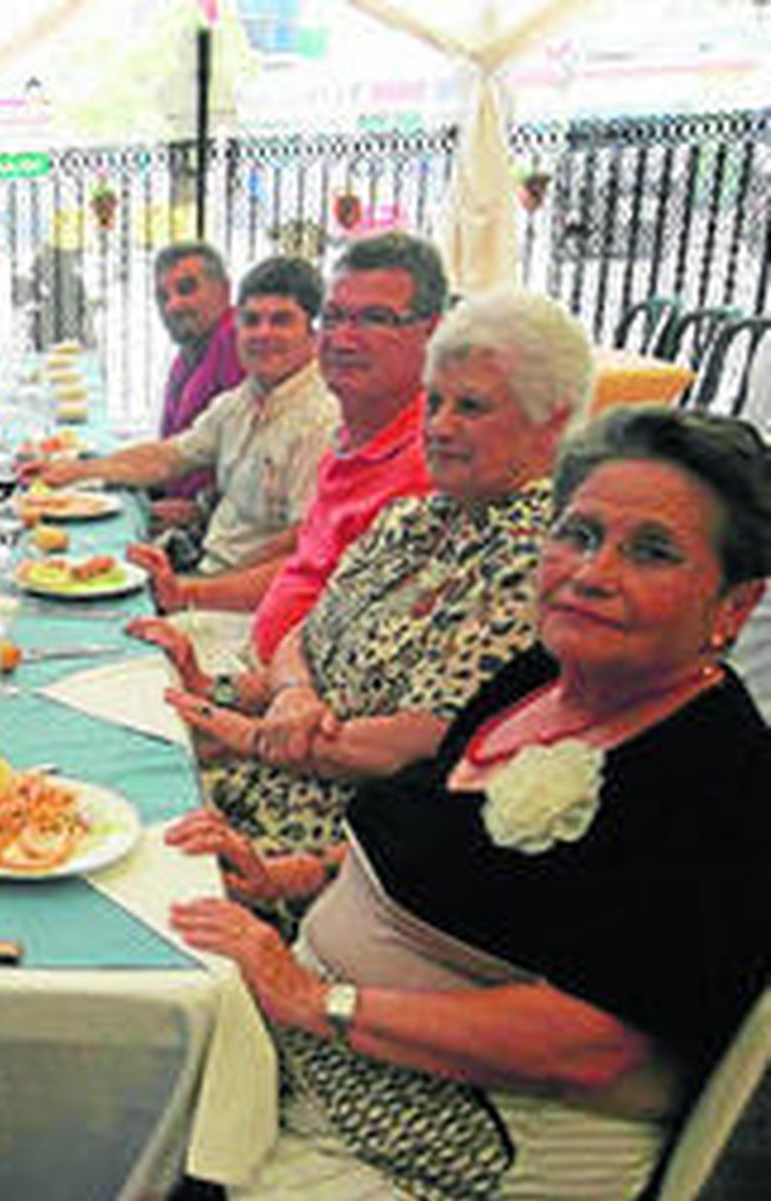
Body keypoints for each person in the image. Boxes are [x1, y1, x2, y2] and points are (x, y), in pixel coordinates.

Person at [168, 406, 771, 1200]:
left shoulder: (717, 776)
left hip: (448, 1151)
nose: (593, 572)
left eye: (651, 552)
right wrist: (293, 875)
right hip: (324, 1064)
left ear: (733, 605)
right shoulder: (539, 674)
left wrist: (316, 999)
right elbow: (444, 839)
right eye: (579, 534)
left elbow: (594, 1046)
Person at [146, 290, 591, 858]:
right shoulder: (417, 515)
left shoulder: (536, 559)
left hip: (322, 845)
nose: (439, 426)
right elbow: (300, 635)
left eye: (471, 408)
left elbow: (421, 744)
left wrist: (256, 738)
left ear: (551, 423)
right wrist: (283, 694)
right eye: (434, 404)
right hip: (245, 784)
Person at [141, 232, 447, 667]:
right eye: (336, 317)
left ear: (432, 332)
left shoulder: (430, 461)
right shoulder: (350, 437)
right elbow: (308, 560)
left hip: (254, 658)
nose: (343, 339)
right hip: (247, 653)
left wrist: (192, 596)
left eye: (375, 319)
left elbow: (348, 640)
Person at [29, 256, 335, 610]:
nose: (262, 334)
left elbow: (302, 552)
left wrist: (190, 591)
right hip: (202, 568)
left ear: (314, 335)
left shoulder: (321, 421)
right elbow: (169, 456)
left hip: (239, 607)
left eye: (281, 321)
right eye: (251, 321)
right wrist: (76, 472)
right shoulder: (242, 401)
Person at [151, 242, 245, 501]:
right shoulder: (192, 347)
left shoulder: (237, 341)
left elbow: (256, 456)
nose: (173, 305)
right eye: (163, 296)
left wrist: (200, 513)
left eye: (186, 289)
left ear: (225, 291)